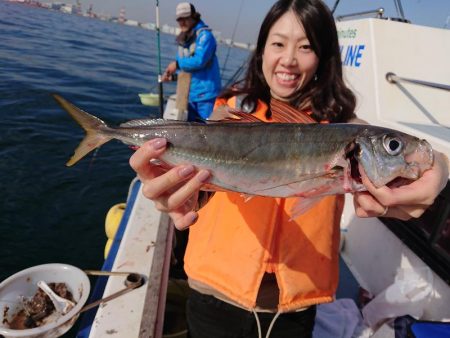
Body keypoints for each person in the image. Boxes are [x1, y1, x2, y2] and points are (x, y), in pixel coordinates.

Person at [130, 0, 449, 337]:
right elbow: (213, 183)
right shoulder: (229, 114)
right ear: (262, 50)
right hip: (213, 296)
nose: (289, 59)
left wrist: (439, 169)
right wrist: (180, 196)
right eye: (278, 43)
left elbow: (429, 155)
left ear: (324, 57)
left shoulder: (343, 126)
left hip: (294, 311)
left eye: (306, 46)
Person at [162, 2, 221, 122]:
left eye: (185, 18)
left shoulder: (205, 36)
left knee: (204, 130)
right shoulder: (186, 38)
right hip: (191, 94)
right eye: (179, 19)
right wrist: (173, 77)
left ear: (194, 17)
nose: (182, 22)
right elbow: (189, 70)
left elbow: (199, 61)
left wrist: (177, 64)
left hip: (206, 96)